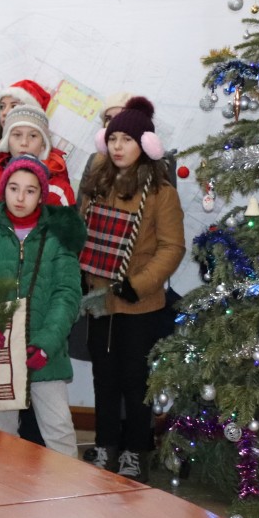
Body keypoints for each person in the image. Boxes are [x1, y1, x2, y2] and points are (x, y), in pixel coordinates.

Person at [78, 97, 185, 480]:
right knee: (103, 378)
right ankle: (106, 444)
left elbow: (172, 248)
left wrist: (137, 285)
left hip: (140, 305)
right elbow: (82, 232)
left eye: (127, 139)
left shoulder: (161, 192)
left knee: (135, 381)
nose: (118, 146)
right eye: (113, 138)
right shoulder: (97, 183)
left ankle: (136, 450)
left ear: (146, 145)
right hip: (99, 301)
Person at [0, 155, 85, 458]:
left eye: (30, 190)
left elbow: (67, 294)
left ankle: (69, 489)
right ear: (3, 190)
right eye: (14, 188)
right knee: (2, 437)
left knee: (60, 431)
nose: (20, 197)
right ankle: (6, 488)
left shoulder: (58, 235)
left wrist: (47, 343)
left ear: (41, 195)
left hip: (44, 351)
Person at [0, 103, 75, 211]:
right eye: (17, 135)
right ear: (7, 141)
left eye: (33, 136)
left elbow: (68, 222)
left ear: (43, 144)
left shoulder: (59, 191)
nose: (24, 142)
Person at [78, 90, 177, 192]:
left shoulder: (162, 163)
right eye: (108, 119)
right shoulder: (94, 160)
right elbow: (83, 199)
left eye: (120, 116)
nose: (112, 123)